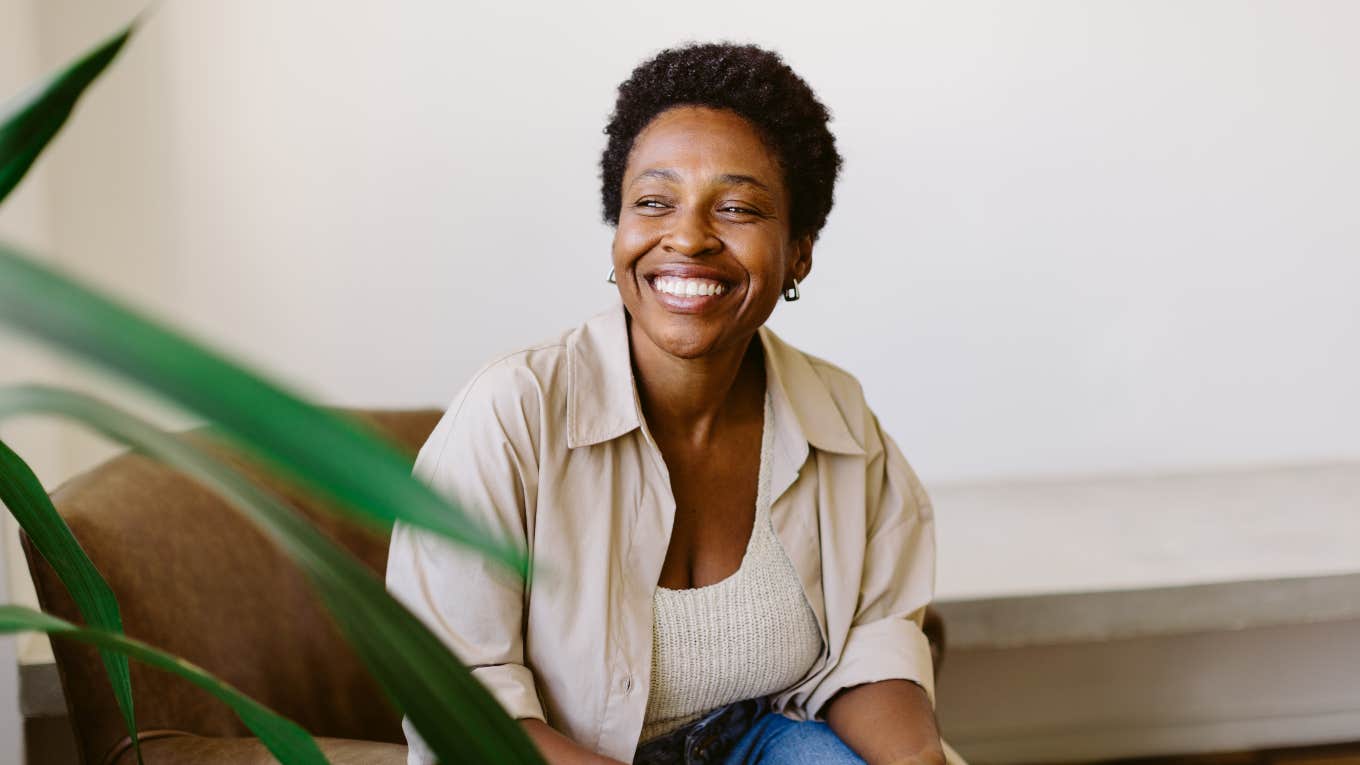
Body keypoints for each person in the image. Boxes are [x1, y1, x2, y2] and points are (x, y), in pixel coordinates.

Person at [387, 42, 962, 765]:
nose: (687, 236)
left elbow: (871, 644)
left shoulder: (838, 417)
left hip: (764, 740)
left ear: (799, 252)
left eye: (738, 207)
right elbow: (461, 704)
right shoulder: (511, 414)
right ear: (619, 231)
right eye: (653, 202)